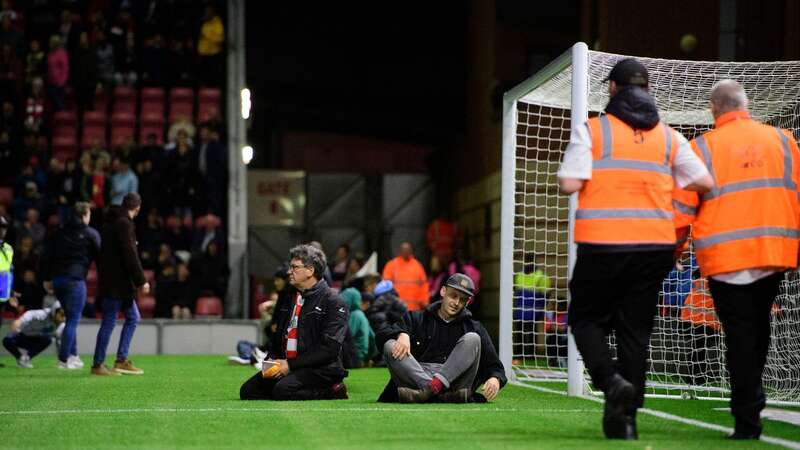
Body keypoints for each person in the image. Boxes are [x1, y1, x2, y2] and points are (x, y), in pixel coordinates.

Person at [557, 58, 713, 439]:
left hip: (603, 243)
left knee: (585, 319)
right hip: (654, 247)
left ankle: (611, 383)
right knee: (635, 332)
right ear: (647, 91)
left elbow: (568, 184)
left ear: (612, 89)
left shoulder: (594, 130)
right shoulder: (670, 136)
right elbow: (703, 182)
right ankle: (627, 421)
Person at [688, 79, 800, 440]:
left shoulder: (702, 147)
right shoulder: (784, 140)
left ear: (714, 109)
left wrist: (673, 250)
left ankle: (747, 419)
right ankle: (751, 402)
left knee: (738, 334)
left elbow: (683, 206)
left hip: (725, 256)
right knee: (757, 329)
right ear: (746, 104)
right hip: (773, 252)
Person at [239, 244, 349, 400]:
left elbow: (329, 350)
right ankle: (289, 386)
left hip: (321, 369)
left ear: (310, 271)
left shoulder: (334, 302)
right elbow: (279, 336)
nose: (289, 272)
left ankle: (333, 391)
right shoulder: (290, 297)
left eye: (295, 267)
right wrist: (271, 359)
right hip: (289, 365)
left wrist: (290, 365)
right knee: (248, 391)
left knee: (282, 390)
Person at [377, 273, 506, 403]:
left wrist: (495, 378)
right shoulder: (416, 318)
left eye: (462, 300)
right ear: (443, 291)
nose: (456, 303)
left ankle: (428, 392)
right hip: (418, 380)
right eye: (453, 295)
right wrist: (401, 334)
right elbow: (381, 334)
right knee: (390, 345)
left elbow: (495, 365)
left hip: (455, 384)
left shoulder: (475, 327)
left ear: (467, 302)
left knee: (473, 338)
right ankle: (436, 392)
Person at [91, 193, 149, 376]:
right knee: (110, 322)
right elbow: (130, 254)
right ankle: (98, 364)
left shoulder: (110, 223)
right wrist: (141, 280)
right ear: (137, 208)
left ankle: (120, 360)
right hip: (118, 284)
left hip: (115, 283)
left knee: (132, 317)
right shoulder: (124, 224)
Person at [41, 202, 100, 370]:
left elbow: (46, 256)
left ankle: (73, 356)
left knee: (69, 319)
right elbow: (101, 257)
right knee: (73, 320)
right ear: (84, 215)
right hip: (75, 281)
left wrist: (46, 278)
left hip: (58, 281)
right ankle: (63, 359)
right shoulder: (90, 234)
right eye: (89, 214)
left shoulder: (58, 232)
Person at [2, 301, 64, 368]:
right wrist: (20, 321)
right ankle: (20, 358)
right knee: (6, 340)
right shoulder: (44, 314)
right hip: (23, 336)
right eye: (62, 314)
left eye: (65, 315)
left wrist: (61, 361)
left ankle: (26, 358)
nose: (63, 318)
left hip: (37, 342)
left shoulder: (62, 325)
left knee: (49, 339)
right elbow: (31, 314)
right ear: (54, 311)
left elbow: (59, 343)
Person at [382, 242, 429, 311]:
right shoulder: (391, 265)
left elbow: (424, 285)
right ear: (400, 251)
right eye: (404, 249)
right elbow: (386, 286)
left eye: (408, 249)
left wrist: (425, 302)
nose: (406, 252)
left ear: (411, 251)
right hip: (396, 309)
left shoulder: (417, 266)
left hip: (414, 309)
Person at [341, 287, 376, 367]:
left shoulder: (355, 315)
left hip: (354, 357)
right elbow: (372, 338)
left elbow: (344, 336)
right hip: (361, 357)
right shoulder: (360, 314)